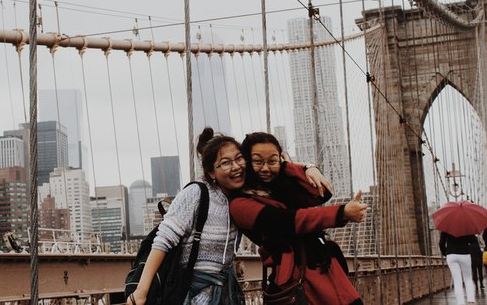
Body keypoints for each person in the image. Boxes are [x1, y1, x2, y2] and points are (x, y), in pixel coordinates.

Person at [127, 127, 330, 305]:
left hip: (225, 292)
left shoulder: (242, 196)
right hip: (193, 292)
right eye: (225, 163)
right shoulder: (197, 193)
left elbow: (272, 162)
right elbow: (163, 241)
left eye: (239, 159)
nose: (236, 167)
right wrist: (141, 291)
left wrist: (307, 167)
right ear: (212, 173)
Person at [230, 132, 367, 304]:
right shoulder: (240, 204)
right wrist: (341, 213)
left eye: (272, 161)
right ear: (246, 162)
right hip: (296, 279)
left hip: (325, 269)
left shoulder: (282, 189)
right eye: (258, 161)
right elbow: (289, 221)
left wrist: (298, 167)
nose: (265, 168)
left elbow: (321, 193)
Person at [439, 231, 476, 305]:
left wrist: (446, 253)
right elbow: (474, 242)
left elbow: (441, 244)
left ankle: (460, 303)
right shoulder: (467, 227)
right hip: (464, 254)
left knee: (457, 281)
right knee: (468, 278)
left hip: (451, 255)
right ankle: (471, 302)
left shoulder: (446, 228)